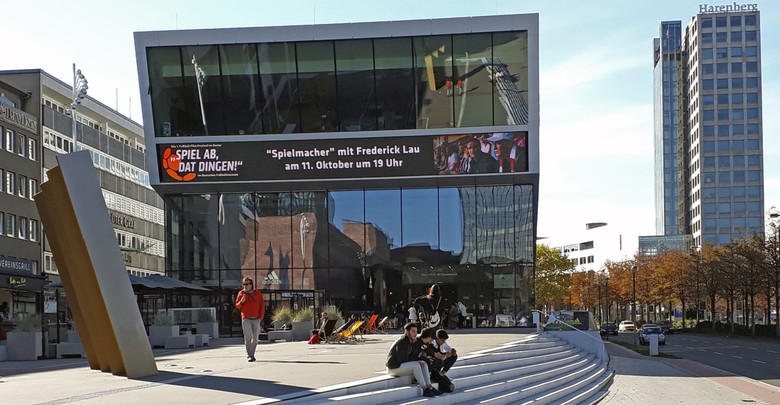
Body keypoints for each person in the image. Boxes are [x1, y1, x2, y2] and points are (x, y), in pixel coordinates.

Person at [385, 322, 441, 397]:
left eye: (416, 331)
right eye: (413, 331)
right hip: (393, 368)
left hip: (400, 365)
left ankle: (429, 386)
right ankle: (425, 389)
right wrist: (417, 361)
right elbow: (402, 359)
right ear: (407, 332)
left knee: (423, 363)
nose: (415, 333)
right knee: (416, 365)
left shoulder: (409, 341)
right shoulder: (403, 342)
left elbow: (410, 358)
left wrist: (420, 360)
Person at [235, 276, 265, 362]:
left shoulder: (257, 294)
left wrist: (260, 318)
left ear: (251, 284)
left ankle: (252, 353)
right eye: (244, 284)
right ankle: (250, 355)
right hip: (246, 318)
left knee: (255, 338)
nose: (245, 286)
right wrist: (241, 302)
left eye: (247, 284)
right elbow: (237, 306)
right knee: (248, 336)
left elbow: (262, 306)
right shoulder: (241, 293)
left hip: (256, 319)